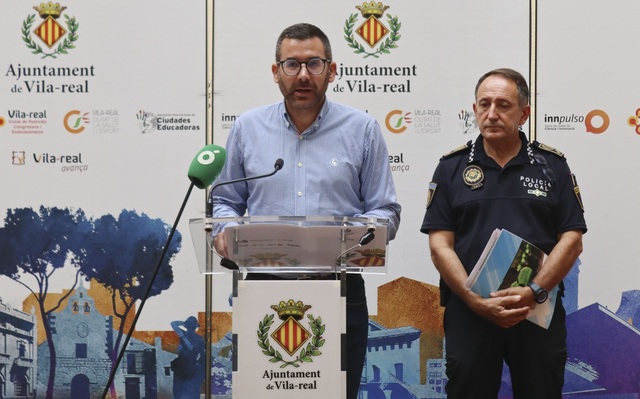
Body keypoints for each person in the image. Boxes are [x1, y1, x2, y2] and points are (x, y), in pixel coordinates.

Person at [209, 22, 401, 399]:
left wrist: (348, 240)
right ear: (275, 72)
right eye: (291, 65)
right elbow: (226, 200)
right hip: (263, 289)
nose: (302, 75)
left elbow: (384, 210)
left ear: (332, 70)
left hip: (340, 289)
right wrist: (225, 232)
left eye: (314, 64)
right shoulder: (247, 128)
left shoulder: (362, 129)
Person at [420, 68, 586, 398]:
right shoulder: (451, 167)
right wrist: (473, 300)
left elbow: (572, 239)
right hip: (471, 312)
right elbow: (440, 244)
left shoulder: (551, 165)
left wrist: (535, 290)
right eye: (484, 104)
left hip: (537, 309)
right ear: (475, 109)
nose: (492, 113)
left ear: (524, 113)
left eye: (503, 105)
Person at [170, 316, 206, 399]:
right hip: (189, 366)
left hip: (184, 366)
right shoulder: (199, 339)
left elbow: (174, 323)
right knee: (190, 391)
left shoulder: (184, 335)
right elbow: (202, 356)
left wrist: (184, 323)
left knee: (181, 391)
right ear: (195, 327)